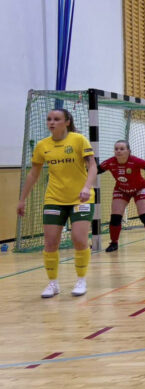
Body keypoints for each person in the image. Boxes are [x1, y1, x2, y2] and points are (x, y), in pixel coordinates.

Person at [16, 109, 97, 298]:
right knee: (51, 242)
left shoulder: (78, 140)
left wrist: (87, 187)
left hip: (81, 198)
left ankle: (81, 280)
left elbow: (92, 166)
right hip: (54, 198)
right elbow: (33, 173)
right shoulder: (43, 145)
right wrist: (22, 199)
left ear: (67, 122)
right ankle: (53, 284)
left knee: (79, 238)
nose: (52, 122)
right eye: (49, 119)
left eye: (57, 119)